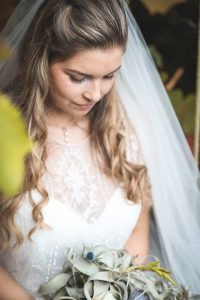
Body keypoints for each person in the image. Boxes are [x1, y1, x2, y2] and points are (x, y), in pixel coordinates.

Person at [0, 0, 199, 299]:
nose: (95, 94)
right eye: (78, 77)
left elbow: (136, 236)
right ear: (41, 61)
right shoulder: (7, 134)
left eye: (109, 76)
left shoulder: (129, 130)